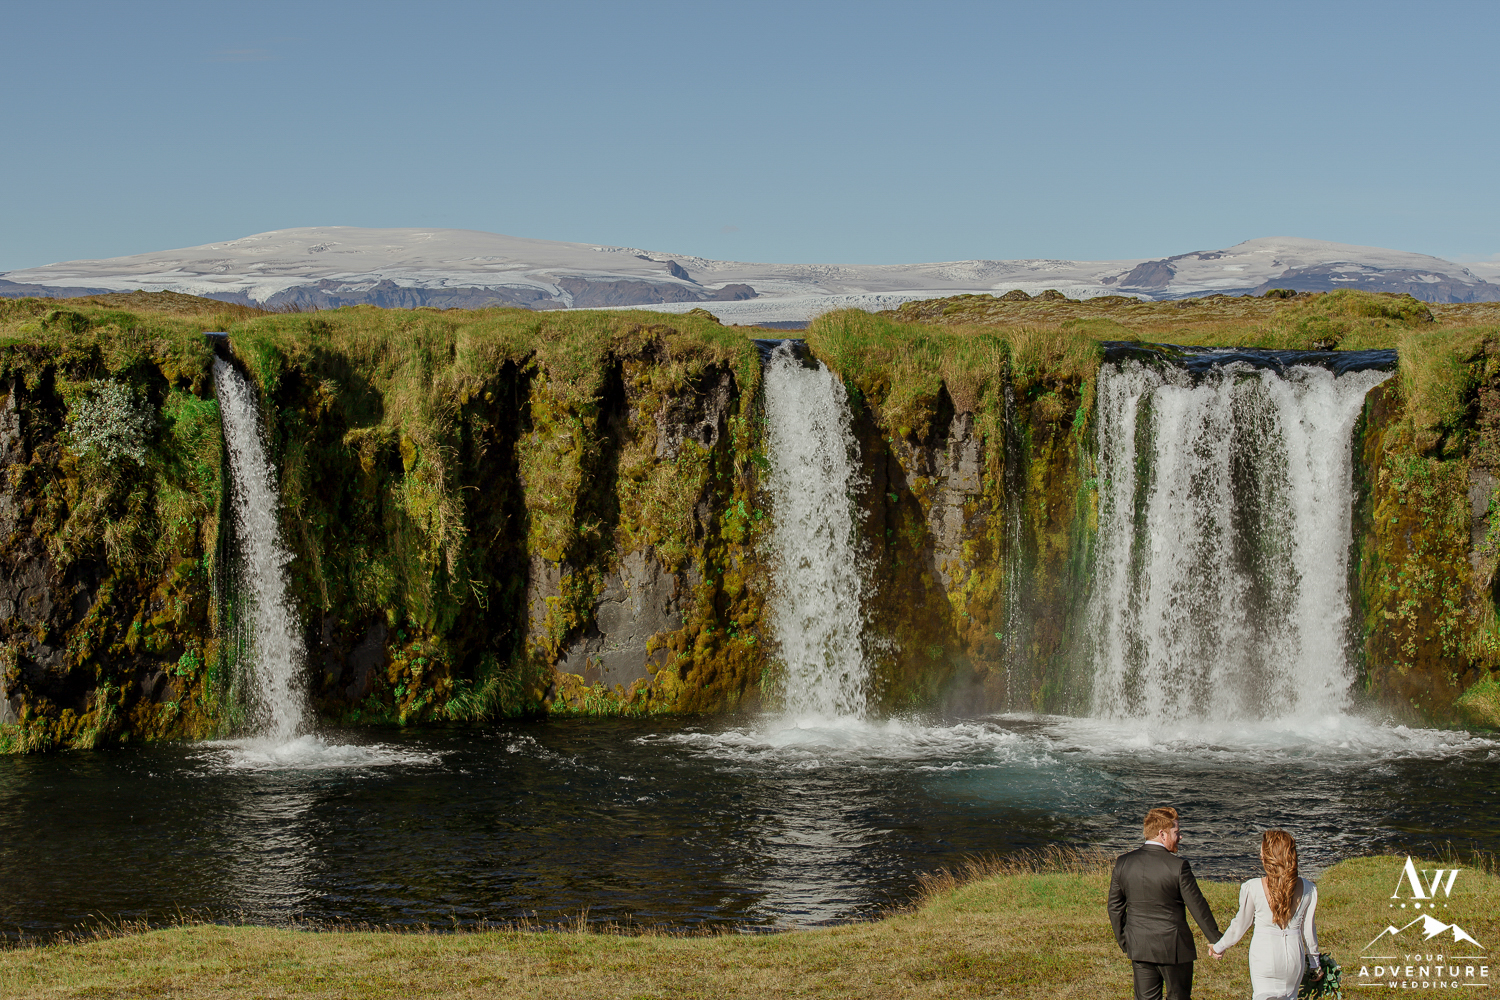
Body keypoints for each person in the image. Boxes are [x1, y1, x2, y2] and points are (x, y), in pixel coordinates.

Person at [1108, 806, 1223, 1000]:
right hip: (1174, 948)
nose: (1180, 837)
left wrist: (1126, 941)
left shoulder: (1123, 862)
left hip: (1140, 946)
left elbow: (1114, 907)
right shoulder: (1178, 867)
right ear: (1162, 834)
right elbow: (1198, 906)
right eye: (1176, 832)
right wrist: (1216, 939)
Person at [1208, 830, 1322, 1000]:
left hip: (1265, 957)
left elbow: (1240, 925)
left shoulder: (1253, 888)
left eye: (1262, 851)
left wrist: (1219, 947)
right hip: (1294, 958)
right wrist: (1315, 964)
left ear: (1268, 856)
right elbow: (1309, 932)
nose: (1259, 854)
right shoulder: (1309, 888)